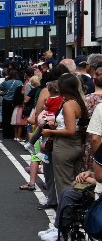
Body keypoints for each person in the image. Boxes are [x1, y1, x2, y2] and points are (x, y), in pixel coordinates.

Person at [42, 73, 87, 204]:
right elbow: (75, 126)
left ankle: (64, 219)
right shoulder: (79, 102)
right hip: (77, 144)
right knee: (76, 181)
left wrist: (50, 130)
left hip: (64, 146)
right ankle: (74, 213)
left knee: (63, 184)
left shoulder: (68, 104)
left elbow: (70, 130)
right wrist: (56, 125)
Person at [0, 68, 23, 139]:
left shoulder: (6, 82)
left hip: (6, 100)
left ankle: (6, 134)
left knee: (6, 117)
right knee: (14, 118)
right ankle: (13, 134)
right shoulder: (20, 82)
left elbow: (1, 89)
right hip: (15, 102)